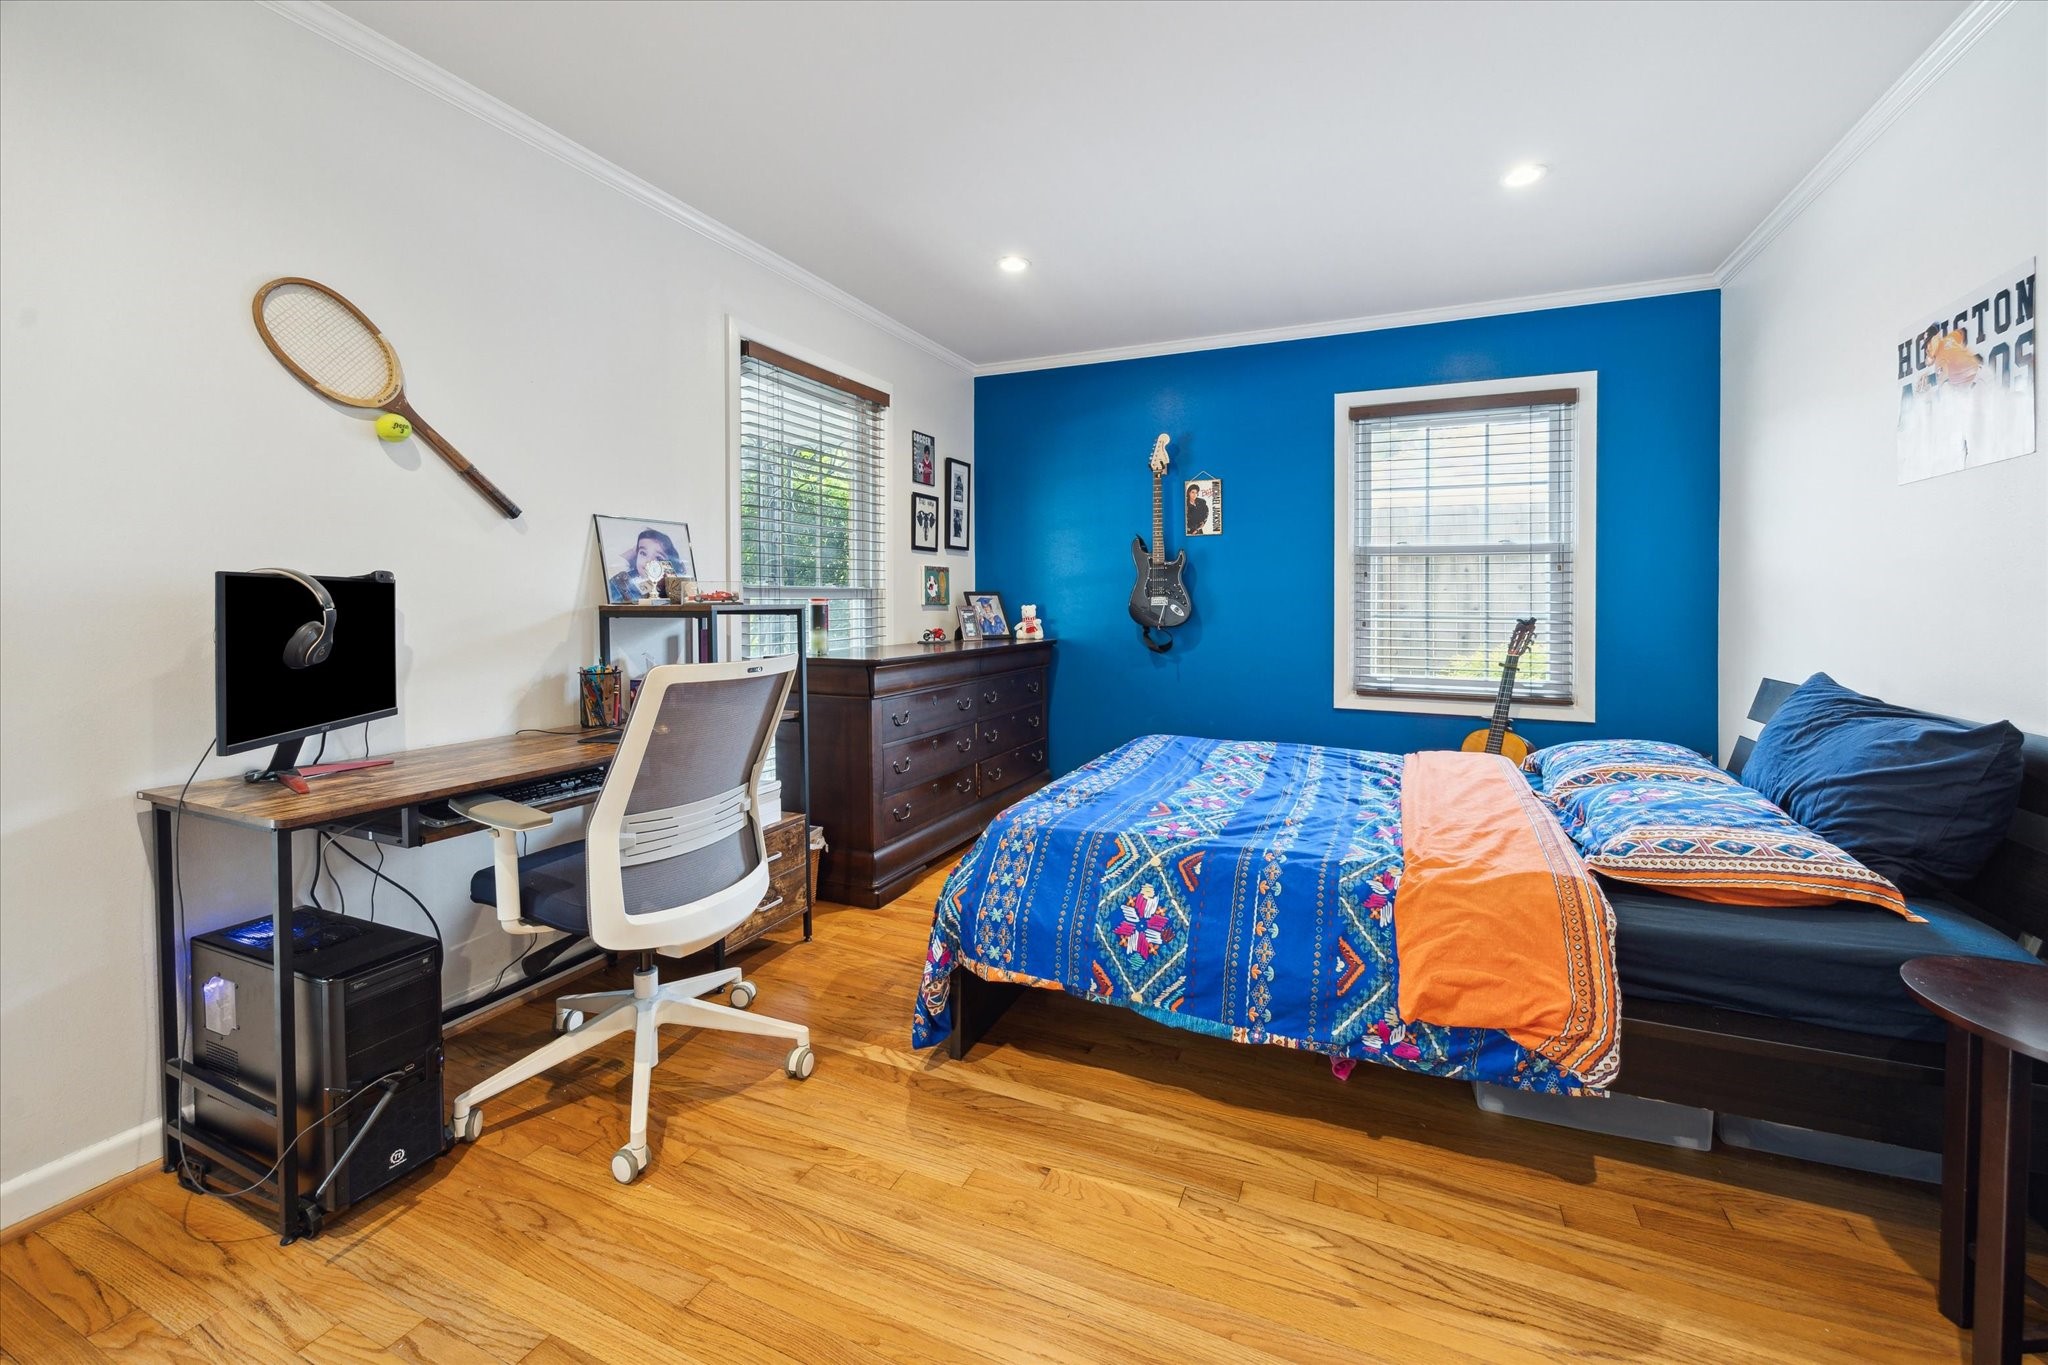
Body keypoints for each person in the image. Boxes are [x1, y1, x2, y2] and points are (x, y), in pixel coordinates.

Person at [607, 527, 685, 602]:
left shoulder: (672, 589)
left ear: (669, 566)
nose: (648, 561)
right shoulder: (622, 582)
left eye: (658, 558)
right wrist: (633, 550)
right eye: (643, 553)